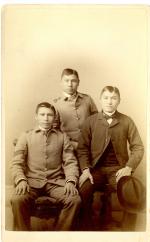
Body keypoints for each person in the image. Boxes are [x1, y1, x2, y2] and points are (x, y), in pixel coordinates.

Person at [77, 86, 144, 230]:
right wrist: (85, 170)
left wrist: (128, 167)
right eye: (106, 98)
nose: (109, 101)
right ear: (100, 100)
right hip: (95, 170)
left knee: (130, 191)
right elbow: (82, 149)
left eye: (113, 98)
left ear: (119, 101)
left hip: (118, 170)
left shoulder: (127, 121)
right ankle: (86, 229)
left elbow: (138, 147)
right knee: (84, 189)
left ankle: (129, 232)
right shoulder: (91, 121)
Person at [10, 102, 81, 231]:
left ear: (54, 118)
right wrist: (20, 180)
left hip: (55, 183)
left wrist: (71, 181)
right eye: (42, 114)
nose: (46, 118)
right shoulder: (25, 136)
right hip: (31, 182)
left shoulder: (62, 137)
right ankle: (23, 236)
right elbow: (16, 163)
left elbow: (70, 162)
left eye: (49, 115)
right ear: (36, 117)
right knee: (17, 200)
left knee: (74, 200)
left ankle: (59, 236)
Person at [53, 68, 98, 149]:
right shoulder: (56, 104)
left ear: (78, 82)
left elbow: (97, 122)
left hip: (90, 146)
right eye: (66, 81)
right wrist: (70, 144)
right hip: (67, 148)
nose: (70, 84)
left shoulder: (87, 99)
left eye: (73, 81)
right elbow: (55, 132)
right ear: (61, 83)